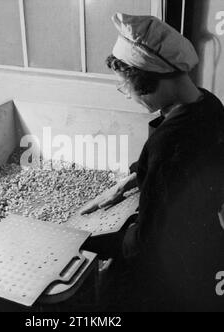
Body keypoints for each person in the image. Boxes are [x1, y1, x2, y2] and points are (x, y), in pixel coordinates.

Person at [81, 13, 224, 311]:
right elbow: (171, 169)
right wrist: (126, 182)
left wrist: (88, 240)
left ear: (144, 79)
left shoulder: (171, 140)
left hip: (177, 267)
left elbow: (147, 240)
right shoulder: (209, 103)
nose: (127, 95)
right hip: (209, 240)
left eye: (125, 86)